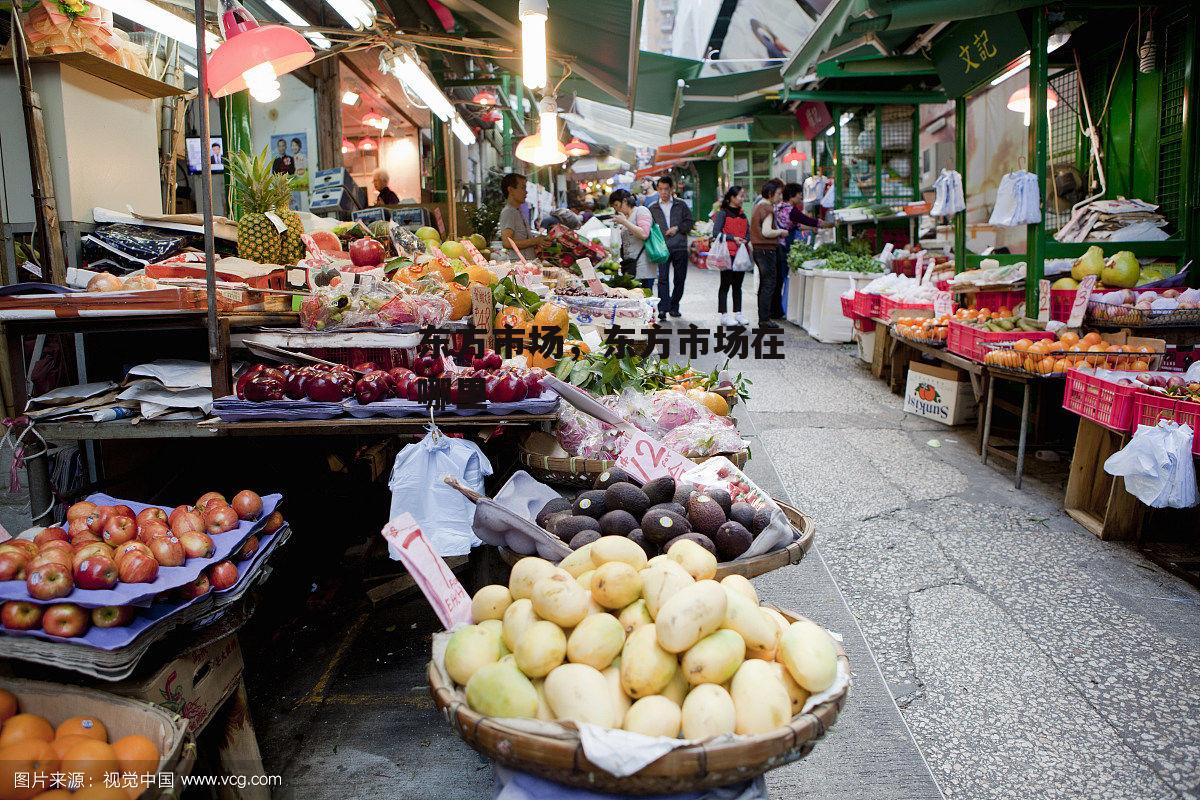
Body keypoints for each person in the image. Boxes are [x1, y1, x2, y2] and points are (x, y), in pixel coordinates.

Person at [647, 176, 694, 320]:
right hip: (662, 249)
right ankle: (663, 309)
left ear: (671, 189)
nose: (663, 192)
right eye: (660, 189)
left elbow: (690, 222)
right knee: (662, 279)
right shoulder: (652, 208)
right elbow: (650, 228)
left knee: (680, 279)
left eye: (666, 189)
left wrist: (677, 228)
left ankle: (674, 306)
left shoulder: (681, 205)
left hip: (679, 246)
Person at [711, 186, 750, 327]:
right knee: (725, 284)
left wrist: (746, 239)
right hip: (726, 254)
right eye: (740, 196)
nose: (742, 198)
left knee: (738, 285)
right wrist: (733, 238)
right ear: (732, 198)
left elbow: (748, 232)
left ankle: (738, 313)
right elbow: (716, 233)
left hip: (740, 255)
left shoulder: (743, 214)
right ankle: (724, 315)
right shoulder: (723, 214)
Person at [750, 179, 787, 323]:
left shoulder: (758, 207)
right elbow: (766, 232)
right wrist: (780, 232)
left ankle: (763, 318)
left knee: (764, 284)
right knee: (768, 284)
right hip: (767, 250)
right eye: (778, 194)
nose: (780, 197)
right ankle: (764, 319)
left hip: (759, 250)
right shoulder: (767, 208)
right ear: (771, 194)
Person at [608, 188, 655, 291]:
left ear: (625, 201)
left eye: (616, 205)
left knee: (644, 299)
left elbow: (644, 233)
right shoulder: (627, 217)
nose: (617, 209)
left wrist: (624, 222)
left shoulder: (641, 210)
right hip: (631, 266)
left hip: (643, 268)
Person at [498, 173, 548, 259]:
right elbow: (507, 242)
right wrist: (535, 241)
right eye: (522, 187)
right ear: (511, 190)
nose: (526, 192)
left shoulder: (518, 211)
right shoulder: (509, 212)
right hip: (519, 266)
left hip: (528, 264)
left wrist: (538, 242)